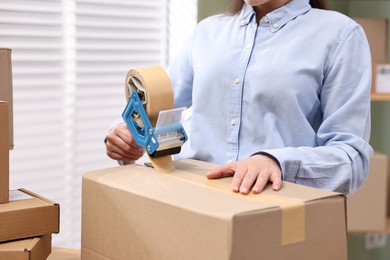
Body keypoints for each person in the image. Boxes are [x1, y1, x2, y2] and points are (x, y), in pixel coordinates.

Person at [105, 0, 373, 195]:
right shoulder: (207, 32)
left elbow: (351, 158)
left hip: (271, 215)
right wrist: (125, 134)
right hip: (186, 201)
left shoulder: (341, 35)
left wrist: (276, 161)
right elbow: (156, 109)